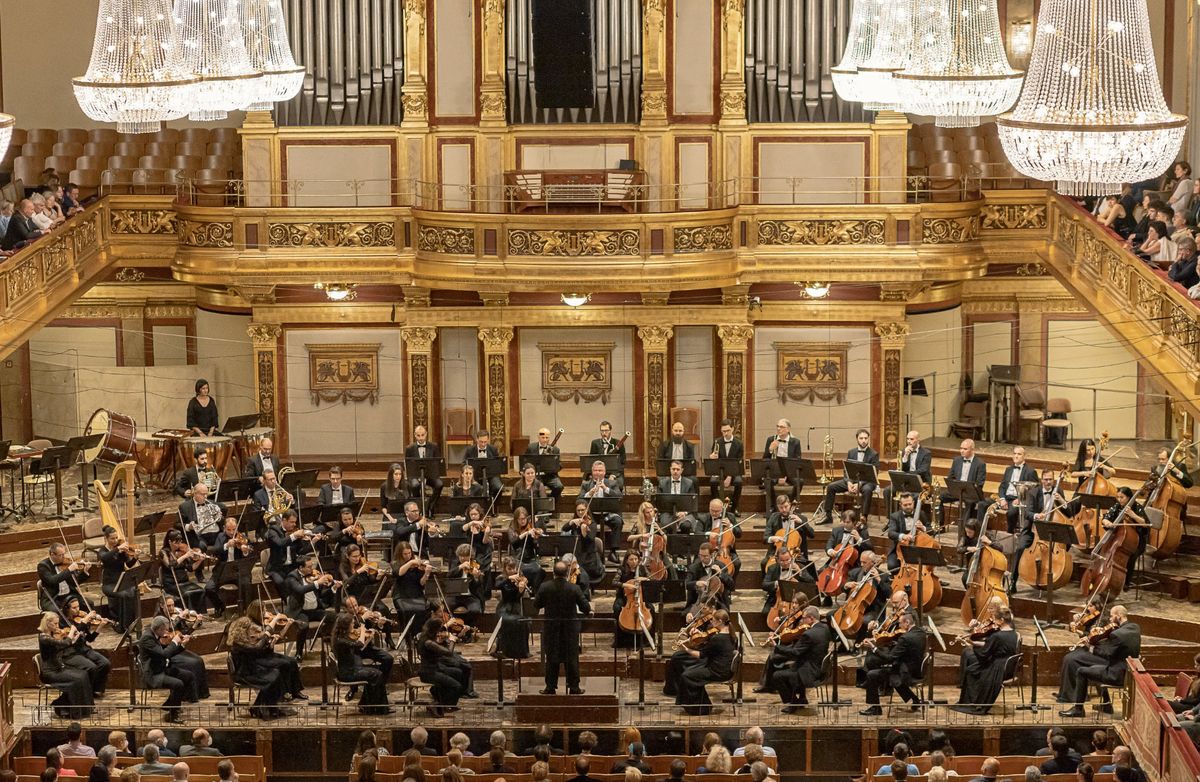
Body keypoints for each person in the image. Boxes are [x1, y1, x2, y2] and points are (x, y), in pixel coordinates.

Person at [1059, 604, 1141, 717]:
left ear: (1119, 616)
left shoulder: (1116, 634)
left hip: (1116, 675)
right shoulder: (1135, 628)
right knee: (1093, 669)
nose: (1110, 619)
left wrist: (1090, 646)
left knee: (1081, 671)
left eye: (1112, 616)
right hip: (1129, 672)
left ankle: (1078, 709)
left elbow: (1107, 654)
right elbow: (1117, 646)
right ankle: (1106, 705)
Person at [227, 608, 302, 719]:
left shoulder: (243, 640)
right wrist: (266, 633)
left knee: (277, 673)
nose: (252, 631)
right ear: (242, 630)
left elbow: (257, 650)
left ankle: (263, 707)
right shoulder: (239, 643)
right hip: (244, 673)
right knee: (274, 678)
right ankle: (269, 709)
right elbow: (256, 649)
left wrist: (270, 642)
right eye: (249, 629)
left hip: (251, 668)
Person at [535, 560, 592, 694]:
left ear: (553, 573)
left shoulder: (545, 587)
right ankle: (574, 687)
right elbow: (586, 607)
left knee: (551, 657)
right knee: (572, 657)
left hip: (551, 627)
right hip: (570, 629)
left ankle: (550, 687)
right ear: (567, 573)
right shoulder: (574, 588)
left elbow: (537, 605)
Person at [665, 608, 736, 715]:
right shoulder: (731, 634)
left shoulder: (718, 638)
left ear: (720, 622)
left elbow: (700, 655)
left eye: (713, 620)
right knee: (690, 672)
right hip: (722, 667)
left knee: (687, 676)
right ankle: (701, 705)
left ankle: (700, 709)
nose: (711, 622)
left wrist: (686, 649)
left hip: (718, 671)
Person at [951, 605, 1019, 714]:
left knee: (971, 671)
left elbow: (984, 653)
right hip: (1008, 666)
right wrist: (972, 642)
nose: (994, 622)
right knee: (972, 669)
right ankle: (973, 701)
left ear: (1001, 620)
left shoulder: (998, 636)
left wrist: (970, 644)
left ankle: (974, 702)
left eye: (995, 619)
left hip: (998, 668)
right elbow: (989, 644)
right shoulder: (1013, 633)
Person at [859, 612, 926, 715]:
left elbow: (889, 658)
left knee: (872, 675)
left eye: (900, 623)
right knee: (891, 674)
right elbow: (908, 649)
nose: (899, 626)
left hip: (905, 673)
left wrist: (874, 648)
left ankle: (875, 708)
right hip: (917, 670)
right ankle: (915, 700)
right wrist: (895, 644)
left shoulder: (905, 638)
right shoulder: (921, 633)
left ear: (907, 622)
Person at [769, 605, 832, 712]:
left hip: (810, 672)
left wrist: (776, 647)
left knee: (777, 676)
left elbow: (795, 653)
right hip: (819, 668)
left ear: (811, 618)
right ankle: (802, 698)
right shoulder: (825, 629)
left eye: (804, 618)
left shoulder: (809, 634)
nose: (802, 621)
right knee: (793, 665)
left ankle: (793, 703)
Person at [333, 612, 394, 715]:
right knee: (377, 674)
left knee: (376, 674)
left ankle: (368, 705)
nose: (353, 626)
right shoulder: (341, 641)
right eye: (352, 624)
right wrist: (362, 628)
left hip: (350, 669)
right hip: (348, 673)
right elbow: (359, 644)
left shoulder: (342, 637)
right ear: (346, 626)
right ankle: (378, 708)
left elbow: (359, 645)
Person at [38, 614, 95, 718]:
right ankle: (71, 710)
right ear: (47, 623)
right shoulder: (44, 638)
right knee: (77, 680)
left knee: (84, 674)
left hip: (58, 668)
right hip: (50, 672)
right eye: (55, 623)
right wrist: (72, 632)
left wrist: (74, 638)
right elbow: (63, 644)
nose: (57, 626)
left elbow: (63, 646)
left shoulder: (51, 636)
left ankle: (87, 708)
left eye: (57, 623)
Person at [817, 428, 879, 523]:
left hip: (867, 482)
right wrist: (849, 482)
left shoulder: (874, 454)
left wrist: (860, 484)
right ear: (857, 439)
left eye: (866, 438)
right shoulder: (851, 452)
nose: (863, 441)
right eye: (861, 438)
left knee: (867, 490)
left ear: (868, 439)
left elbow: (874, 474)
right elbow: (846, 470)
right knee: (831, 487)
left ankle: (864, 517)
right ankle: (828, 515)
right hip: (852, 480)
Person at [59, 596, 112, 699]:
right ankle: (87, 692)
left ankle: (96, 689)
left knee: (105, 663)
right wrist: (85, 620)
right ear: (67, 609)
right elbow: (75, 633)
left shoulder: (81, 619)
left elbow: (89, 638)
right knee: (92, 667)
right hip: (72, 651)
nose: (78, 610)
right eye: (74, 608)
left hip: (84, 649)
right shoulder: (63, 622)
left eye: (78, 606)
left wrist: (100, 626)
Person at [977, 446, 1039, 531]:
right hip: (1005, 498)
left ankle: (1009, 533)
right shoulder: (1008, 469)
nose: (1016, 456)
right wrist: (1002, 499)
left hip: (1017, 500)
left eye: (1019, 454)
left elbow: (1035, 490)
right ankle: (981, 532)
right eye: (1014, 453)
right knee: (982, 504)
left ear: (1024, 456)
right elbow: (1002, 486)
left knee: (1012, 512)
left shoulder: (1030, 471)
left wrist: (1020, 499)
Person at [98, 524, 140, 632]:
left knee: (134, 591)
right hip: (109, 584)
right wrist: (117, 549)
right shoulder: (102, 551)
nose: (115, 540)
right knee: (125, 594)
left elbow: (129, 565)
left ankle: (132, 623)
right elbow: (105, 558)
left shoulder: (120, 550)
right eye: (112, 538)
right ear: (106, 538)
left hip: (121, 581)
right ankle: (123, 626)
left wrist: (135, 557)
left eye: (116, 538)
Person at [939, 439, 987, 527]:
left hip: (971, 493)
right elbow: (950, 477)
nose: (962, 451)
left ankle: (964, 531)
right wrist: (954, 486)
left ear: (972, 450)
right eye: (961, 448)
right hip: (958, 491)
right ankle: (940, 525)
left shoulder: (980, 464)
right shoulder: (957, 460)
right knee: (940, 497)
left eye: (965, 449)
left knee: (969, 503)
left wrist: (969, 488)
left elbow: (980, 483)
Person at [882, 431, 933, 513]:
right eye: (908, 439)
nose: (909, 441)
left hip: (921, 484)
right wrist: (905, 456)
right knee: (887, 491)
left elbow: (923, 470)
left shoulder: (926, 453)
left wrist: (908, 474)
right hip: (906, 482)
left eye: (912, 439)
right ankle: (892, 519)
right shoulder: (903, 452)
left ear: (918, 440)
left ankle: (912, 520)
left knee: (914, 496)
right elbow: (902, 469)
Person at [38, 543, 92, 613]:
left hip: (69, 595)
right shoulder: (43, 566)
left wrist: (85, 571)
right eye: (60, 555)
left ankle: (85, 623)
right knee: (58, 612)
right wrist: (69, 570)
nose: (63, 557)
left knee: (89, 603)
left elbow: (75, 582)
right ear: (52, 554)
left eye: (64, 554)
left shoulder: (66, 564)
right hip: (53, 598)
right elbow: (52, 580)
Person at [708, 419, 745, 511]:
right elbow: (714, 460)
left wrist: (729, 476)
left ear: (732, 429)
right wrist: (711, 457)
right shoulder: (717, 442)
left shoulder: (739, 444)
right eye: (723, 431)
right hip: (720, 470)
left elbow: (738, 462)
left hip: (734, 472)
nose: (725, 433)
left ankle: (734, 508)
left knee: (739, 482)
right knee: (712, 482)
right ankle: (717, 507)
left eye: (727, 431)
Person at [405, 425, 445, 510]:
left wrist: (428, 477)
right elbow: (408, 466)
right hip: (416, 475)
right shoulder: (409, 448)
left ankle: (430, 506)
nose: (420, 438)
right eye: (418, 435)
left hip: (430, 475)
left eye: (422, 435)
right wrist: (418, 477)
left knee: (439, 484)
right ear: (415, 435)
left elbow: (437, 464)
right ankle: (419, 506)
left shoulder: (434, 446)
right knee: (415, 485)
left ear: (426, 434)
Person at [761, 418, 803, 498]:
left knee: (799, 481)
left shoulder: (795, 442)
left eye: (781, 427)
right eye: (777, 426)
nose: (778, 429)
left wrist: (786, 476)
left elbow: (797, 461)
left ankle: (790, 503)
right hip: (775, 471)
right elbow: (765, 459)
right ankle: (773, 506)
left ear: (788, 429)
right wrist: (770, 449)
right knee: (767, 481)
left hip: (789, 472)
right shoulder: (771, 440)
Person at [885, 493, 926, 570]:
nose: (908, 507)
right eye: (905, 505)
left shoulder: (921, 514)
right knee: (892, 566)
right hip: (899, 548)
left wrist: (923, 528)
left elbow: (931, 529)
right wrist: (903, 536)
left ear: (913, 502)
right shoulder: (895, 516)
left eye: (910, 504)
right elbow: (891, 533)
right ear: (900, 504)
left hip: (917, 547)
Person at [525, 428, 564, 499]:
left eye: (547, 437)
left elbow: (560, 466)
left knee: (559, 486)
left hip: (550, 476)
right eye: (543, 437)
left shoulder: (555, 449)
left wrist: (552, 461)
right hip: (536, 475)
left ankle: (550, 502)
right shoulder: (531, 447)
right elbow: (526, 462)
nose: (545, 440)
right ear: (538, 437)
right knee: (535, 488)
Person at [464, 430, 503, 498]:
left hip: (491, 475)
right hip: (474, 476)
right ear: (477, 439)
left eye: (485, 442)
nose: (483, 444)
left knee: (498, 487)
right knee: (474, 489)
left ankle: (494, 506)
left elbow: (498, 464)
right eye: (481, 442)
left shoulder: (493, 449)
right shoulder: (469, 450)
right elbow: (463, 464)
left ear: (488, 440)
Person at [589, 420, 627, 489]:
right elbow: (592, 460)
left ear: (610, 431)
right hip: (599, 472)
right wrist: (597, 473)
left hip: (614, 472)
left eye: (606, 430)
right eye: (602, 431)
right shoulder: (595, 443)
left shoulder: (618, 443)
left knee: (619, 484)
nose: (604, 433)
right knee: (588, 484)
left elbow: (622, 462)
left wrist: (613, 475)